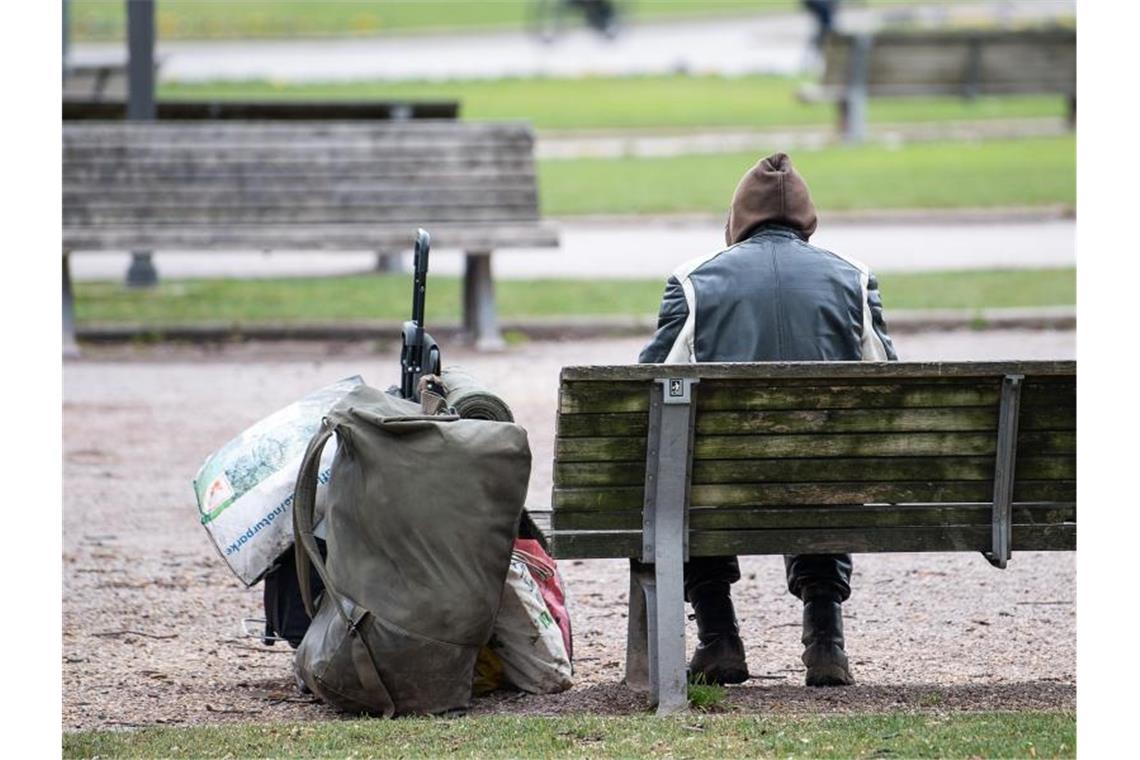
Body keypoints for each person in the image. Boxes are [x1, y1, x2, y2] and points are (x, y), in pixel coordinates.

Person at [637, 152, 897, 687]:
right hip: (823, 482)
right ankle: (825, 640)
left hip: (723, 482)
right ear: (807, 217)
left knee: (684, 472)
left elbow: (647, 386)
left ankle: (718, 638)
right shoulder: (855, 278)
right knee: (827, 462)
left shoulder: (693, 281)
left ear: (737, 218)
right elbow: (890, 381)